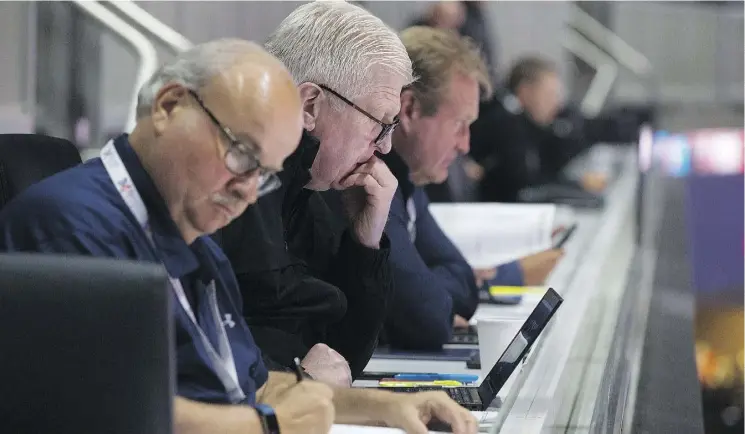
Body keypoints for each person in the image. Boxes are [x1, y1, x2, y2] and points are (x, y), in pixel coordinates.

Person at [0, 39, 477, 434]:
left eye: (264, 175)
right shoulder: (68, 226)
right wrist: (267, 426)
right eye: (243, 157)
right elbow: (109, 412)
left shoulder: (195, 235)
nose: (247, 193)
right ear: (169, 106)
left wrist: (384, 408)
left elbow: (252, 384)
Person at [214, 2, 411, 386]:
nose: (385, 147)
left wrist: (364, 244)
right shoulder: (221, 190)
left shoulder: (317, 192)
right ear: (309, 105)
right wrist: (298, 380)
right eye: (379, 123)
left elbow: (343, 359)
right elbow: (197, 353)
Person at [382, 27, 564, 349]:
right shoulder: (373, 184)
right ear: (409, 110)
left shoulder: (408, 178)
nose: (465, 145)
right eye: (458, 125)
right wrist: (434, 292)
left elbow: (460, 277)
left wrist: (432, 288)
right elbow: (430, 318)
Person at [469, 56, 602, 203]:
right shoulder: (504, 126)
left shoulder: (530, 127)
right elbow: (526, 184)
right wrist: (579, 186)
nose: (556, 104)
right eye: (548, 95)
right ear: (525, 92)